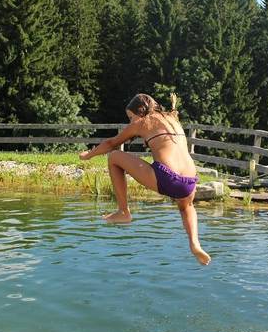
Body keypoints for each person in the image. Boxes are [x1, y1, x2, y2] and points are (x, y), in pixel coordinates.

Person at [79, 93, 211, 265]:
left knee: (114, 157)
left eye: (130, 117)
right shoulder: (171, 119)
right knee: (186, 207)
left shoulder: (143, 122)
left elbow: (112, 143)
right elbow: (172, 117)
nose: (130, 122)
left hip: (167, 176)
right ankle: (195, 243)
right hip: (190, 182)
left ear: (140, 112)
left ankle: (124, 211)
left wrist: (88, 155)